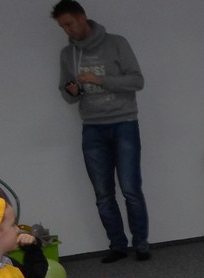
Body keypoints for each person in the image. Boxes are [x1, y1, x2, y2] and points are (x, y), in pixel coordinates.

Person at [52, 0, 150, 263]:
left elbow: (137, 80)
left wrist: (99, 80)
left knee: (130, 189)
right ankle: (117, 245)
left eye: (69, 24)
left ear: (82, 17)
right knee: (103, 194)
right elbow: (67, 95)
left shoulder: (116, 43)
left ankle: (141, 244)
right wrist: (73, 90)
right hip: (92, 128)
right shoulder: (67, 54)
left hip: (124, 123)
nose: (67, 30)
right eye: (62, 27)